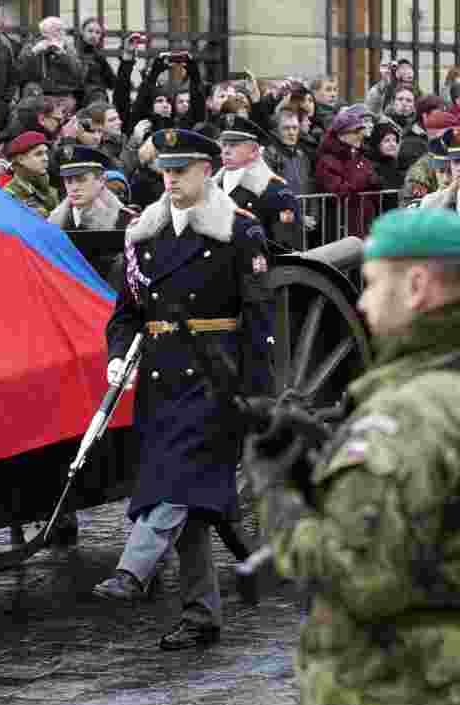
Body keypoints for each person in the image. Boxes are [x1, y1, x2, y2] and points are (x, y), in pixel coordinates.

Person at [246, 207, 460, 705]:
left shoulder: (401, 418)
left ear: (416, 286)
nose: (361, 305)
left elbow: (359, 575)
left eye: (370, 285)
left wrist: (277, 494)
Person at [93, 129, 274, 651]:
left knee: (178, 476)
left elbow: (260, 317)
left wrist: (257, 394)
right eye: (166, 170)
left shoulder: (239, 233)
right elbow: (125, 312)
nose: (171, 179)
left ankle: (134, 569)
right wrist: (115, 358)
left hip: (216, 377)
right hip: (160, 378)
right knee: (191, 499)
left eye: (183, 169)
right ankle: (201, 614)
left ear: (206, 169)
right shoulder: (144, 235)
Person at [213, 115, 299, 252]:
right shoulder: (213, 186)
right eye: (224, 144)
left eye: (234, 145)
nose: (226, 151)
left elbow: (284, 245)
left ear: (253, 151)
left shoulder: (274, 189)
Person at [2, 131, 57, 218]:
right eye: (38, 154)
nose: (46, 158)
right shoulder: (9, 195)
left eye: (46, 153)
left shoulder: (51, 189)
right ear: (21, 159)